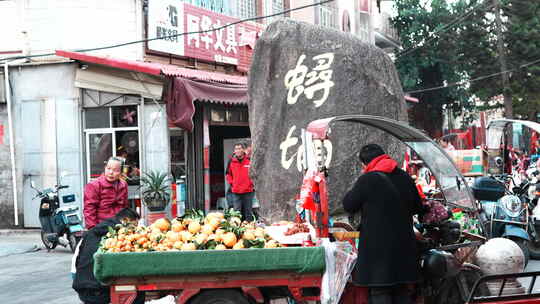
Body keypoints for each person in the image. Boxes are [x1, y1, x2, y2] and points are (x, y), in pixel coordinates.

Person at [342, 144, 423, 304]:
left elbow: (348, 205)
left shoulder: (367, 179)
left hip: (377, 253)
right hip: (403, 248)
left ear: (365, 163)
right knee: (401, 291)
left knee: (380, 292)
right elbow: (418, 207)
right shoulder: (404, 176)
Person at [72, 208, 144, 304]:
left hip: (81, 287)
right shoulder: (119, 235)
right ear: (125, 220)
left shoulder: (90, 233)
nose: (134, 229)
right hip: (98, 291)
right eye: (134, 225)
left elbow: (77, 261)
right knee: (138, 293)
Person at [83, 157, 129, 229]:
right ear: (105, 168)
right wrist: (93, 229)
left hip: (120, 226)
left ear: (121, 172)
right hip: (101, 226)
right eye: (108, 168)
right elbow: (89, 210)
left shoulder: (123, 184)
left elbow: (125, 206)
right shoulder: (94, 185)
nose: (111, 172)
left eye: (115, 170)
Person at [226, 142, 255, 221]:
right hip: (236, 191)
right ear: (234, 151)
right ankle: (238, 228)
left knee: (248, 212)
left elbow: (254, 174)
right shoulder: (231, 161)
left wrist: (251, 184)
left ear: (243, 150)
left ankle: (249, 229)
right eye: (236, 149)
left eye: (239, 148)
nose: (237, 150)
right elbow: (228, 174)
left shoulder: (249, 160)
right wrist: (233, 184)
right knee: (237, 212)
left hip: (248, 191)